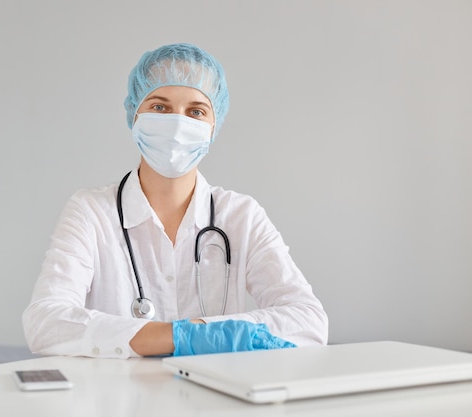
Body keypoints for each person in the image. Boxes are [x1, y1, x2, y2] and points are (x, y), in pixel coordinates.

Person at [22, 43, 328, 359]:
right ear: (134, 113)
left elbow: (308, 320)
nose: (178, 124)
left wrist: (204, 334)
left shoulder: (241, 216)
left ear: (213, 125)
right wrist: (190, 337)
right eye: (160, 107)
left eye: (196, 111)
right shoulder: (91, 211)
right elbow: (45, 322)